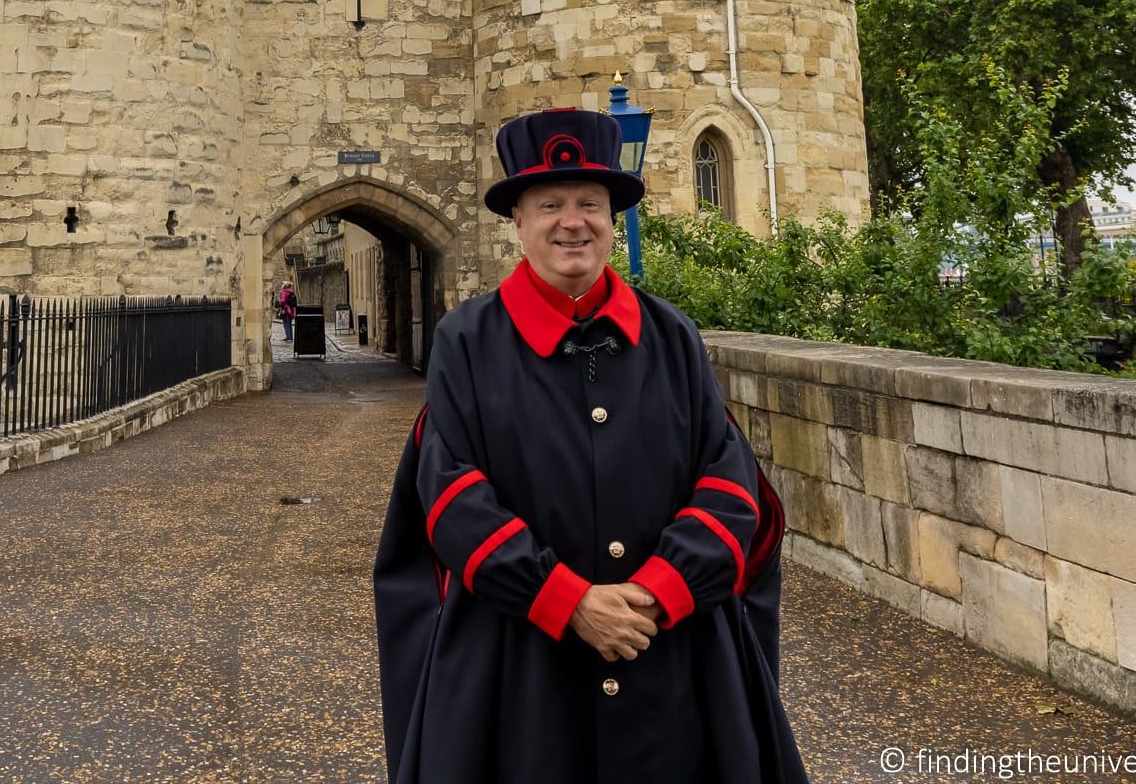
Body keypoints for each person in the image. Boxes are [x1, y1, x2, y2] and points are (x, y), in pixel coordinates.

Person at [373, 107, 803, 782]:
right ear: (518, 220)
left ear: (611, 217)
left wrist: (659, 591)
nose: (572, 222)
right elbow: (452, 497)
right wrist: (568, 601)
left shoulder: (674, 339)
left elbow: (727, 484)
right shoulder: (466, 343)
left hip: (673, 657)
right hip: (519, 671)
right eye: (550, 204)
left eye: (590, 204)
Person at [277, 281, 298, 346]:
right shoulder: (291, 292)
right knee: (289, 324)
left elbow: (283, 301)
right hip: (291, 311)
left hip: (286, 310)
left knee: (286, 324)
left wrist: (278, 300)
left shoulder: (284, 292)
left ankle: (288, 337)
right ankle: (290, 337)